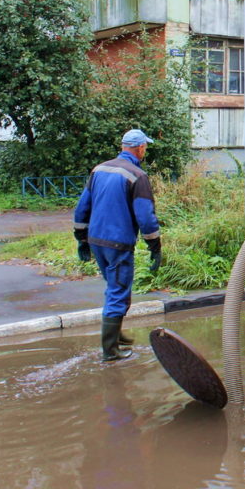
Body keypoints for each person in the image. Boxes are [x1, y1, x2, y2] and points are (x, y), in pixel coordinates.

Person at [74, 129, 163, 362]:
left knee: (115, 288)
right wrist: (155, 245)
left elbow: (83, 206)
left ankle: (115, 334)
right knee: (118, 292)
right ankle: (110, 351)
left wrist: (81, 238)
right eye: (145, 147)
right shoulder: (137, 176)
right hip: (118, 243)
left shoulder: (99, 169)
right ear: (140, 148)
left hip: (96, 241)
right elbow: (145, 216)